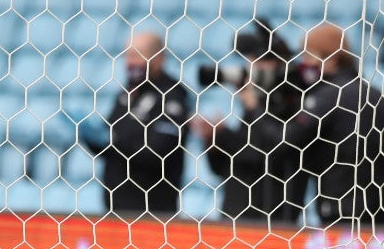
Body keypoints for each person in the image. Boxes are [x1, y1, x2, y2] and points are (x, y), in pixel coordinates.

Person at [192, 20, 308, 224]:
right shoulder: (254, 104)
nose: (253, 67)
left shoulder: (291, 104)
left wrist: (251, 110)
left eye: (262, 60)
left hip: (270, 217)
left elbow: (269, 153)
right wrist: (213, 141)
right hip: (235, 216)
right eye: (251, 59)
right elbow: (226, 170)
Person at [280, 23, 384, 227]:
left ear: (333, 58)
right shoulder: (375, 95)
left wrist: (254, 107)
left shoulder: (329, 96)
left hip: (337, 206)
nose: (304, 63)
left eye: (309, 56)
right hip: (376, 209)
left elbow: (286, 141)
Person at [82, 31, 191, 218]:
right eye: (127, 55)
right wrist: (89, 135)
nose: (130, 62)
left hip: (153, 212)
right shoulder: (127, 93)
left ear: (159, 59)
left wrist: (114, 141)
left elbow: (157, 151)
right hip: (115, 209)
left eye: (137, 55)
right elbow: (108, 144)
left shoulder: (173, 96)